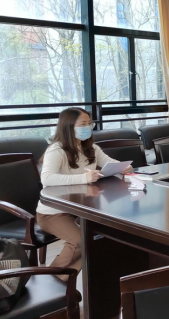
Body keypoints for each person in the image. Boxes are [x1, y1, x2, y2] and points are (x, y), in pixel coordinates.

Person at [37, 108, 133, 280]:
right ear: (68, 126)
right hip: (53, 212)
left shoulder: (91, 148)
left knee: (109, 235)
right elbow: (47, 178)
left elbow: (109, 163)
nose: (87, 127)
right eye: (83, 124)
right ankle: (51, 281)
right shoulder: (56, 150)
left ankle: (96, 283)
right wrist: (84, 177)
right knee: (80, 241)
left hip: (81, 208)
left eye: (89, 124)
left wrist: (123, 166)